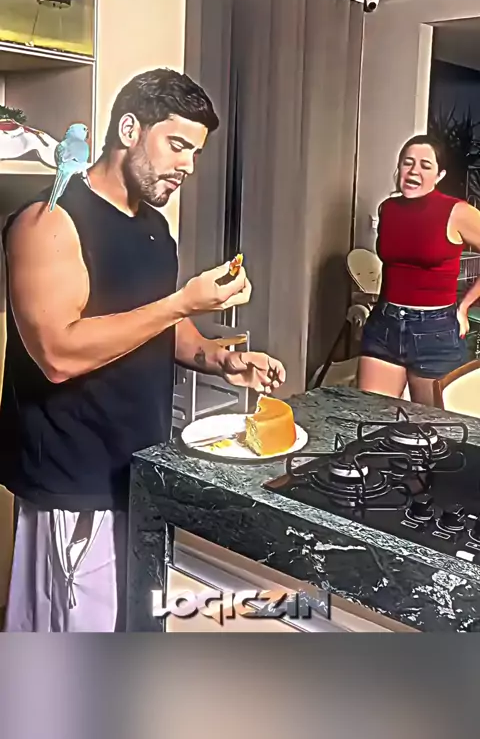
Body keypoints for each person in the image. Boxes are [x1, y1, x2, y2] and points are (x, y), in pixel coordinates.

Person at [0, 67, 287, 633]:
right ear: (129, 129)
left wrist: (219, 358)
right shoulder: (48, 221)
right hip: (75, 479)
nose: (188, 165)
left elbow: (156, 323)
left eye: (195, 153)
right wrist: (181, 302)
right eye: (177, 145)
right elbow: (58, 354)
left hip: (142, 468)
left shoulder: (154, 226)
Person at [358, 133, 480, 405]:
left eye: (425, 165)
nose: (414, 171)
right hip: (384, 327)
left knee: (433, 426)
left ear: (440, 175)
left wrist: (464, 307)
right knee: (370, 418)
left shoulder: (457, 212)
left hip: (435, 333)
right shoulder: (388, 209)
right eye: (408, 162)